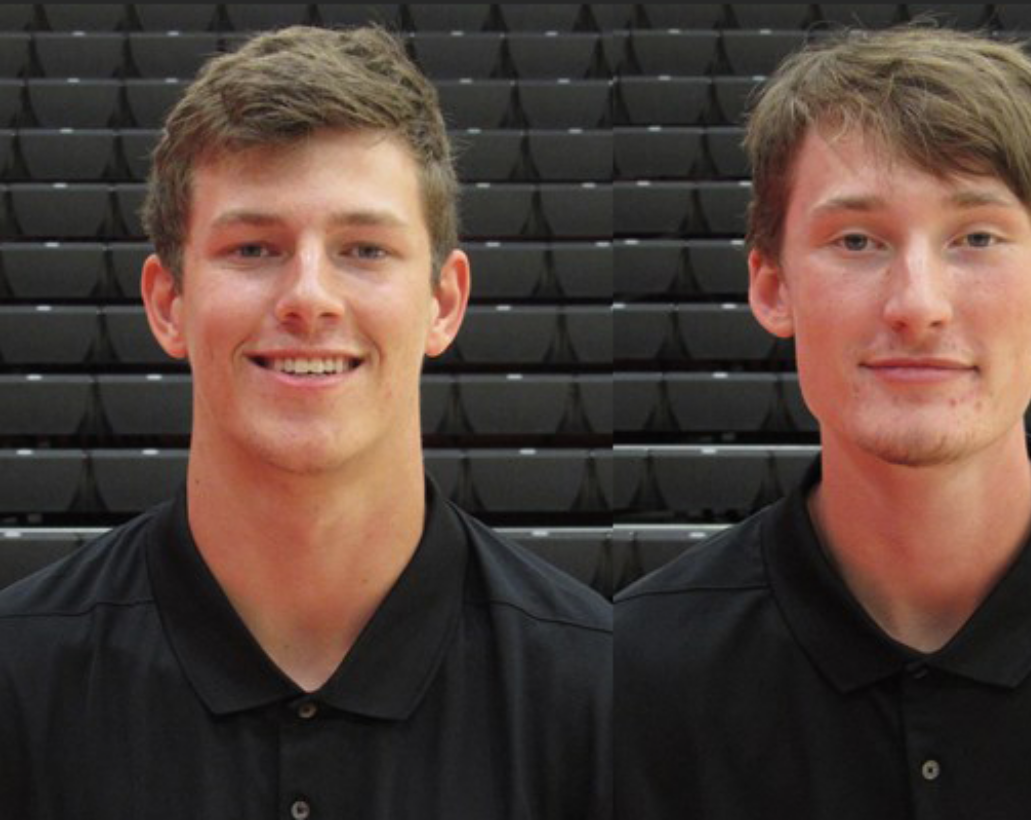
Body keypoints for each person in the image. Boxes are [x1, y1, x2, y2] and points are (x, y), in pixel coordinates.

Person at [615, 25, 1031, 819]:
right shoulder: (629, 669)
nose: (918, 306)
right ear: (771, 287)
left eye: (976, 238)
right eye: (858, 240)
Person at [0, 26, 610, 818]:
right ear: (166, 303)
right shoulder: (16, 676)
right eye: (254, 248)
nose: (309, 296)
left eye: (364, 249)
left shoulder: (605, 691)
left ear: (444, 303)